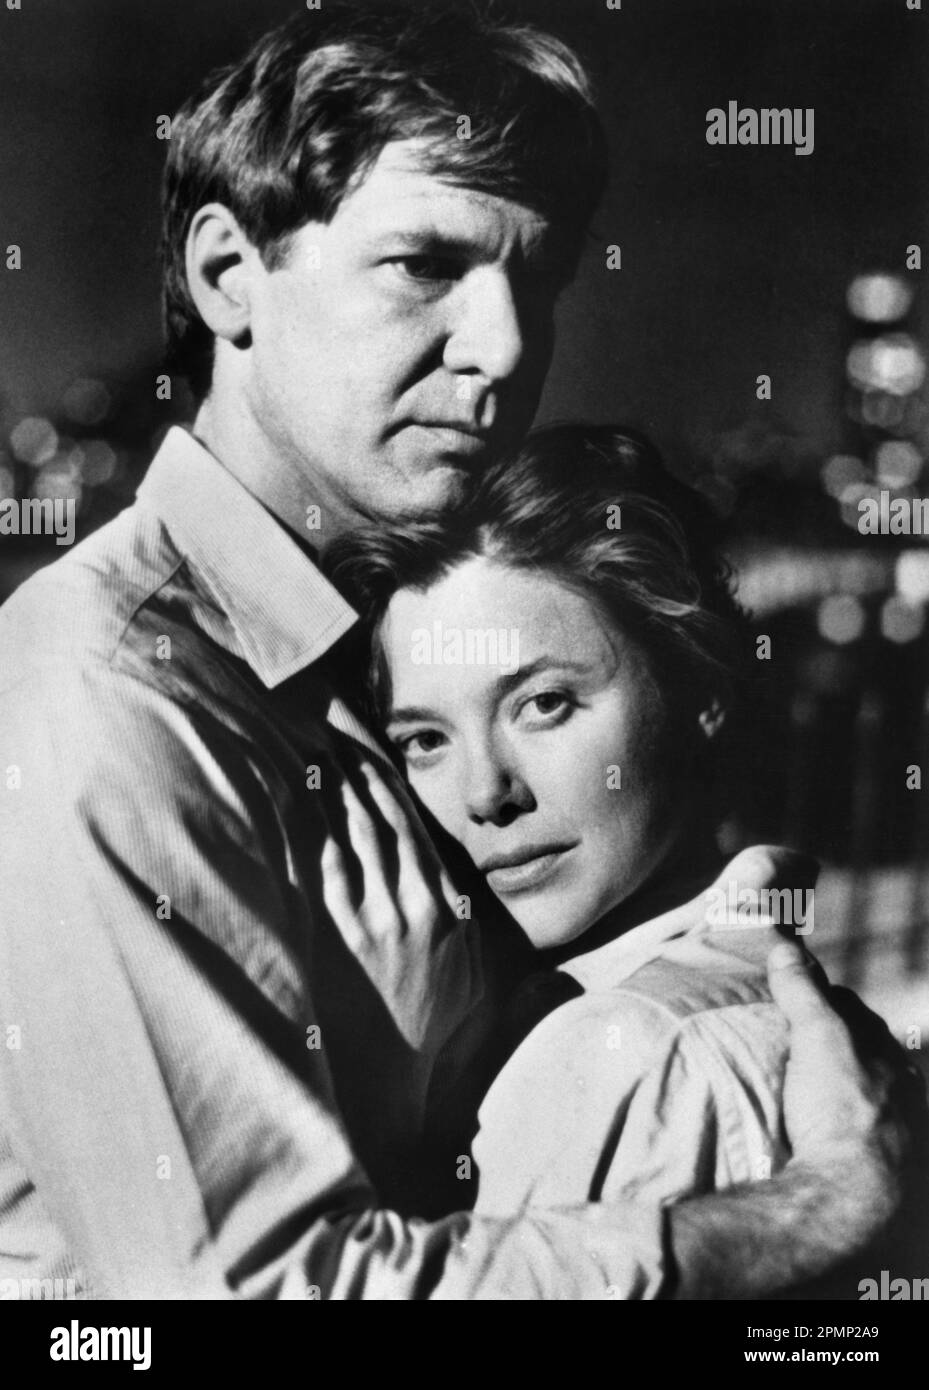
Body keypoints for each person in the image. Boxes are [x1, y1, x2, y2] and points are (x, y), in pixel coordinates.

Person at [0, 2, 912, 1300]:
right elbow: (241, 1298)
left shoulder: (331, 658)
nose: (501, 350)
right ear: (225, 277)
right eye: (422, 264)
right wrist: (815, 1209)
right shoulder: (110, 685)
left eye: (534, 280)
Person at [323, 422, 836, 1216]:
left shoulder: (625, 1052)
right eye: (425, 740)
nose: (486, 793)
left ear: (700, 688)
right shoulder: (731, 994)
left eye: (543, 705)